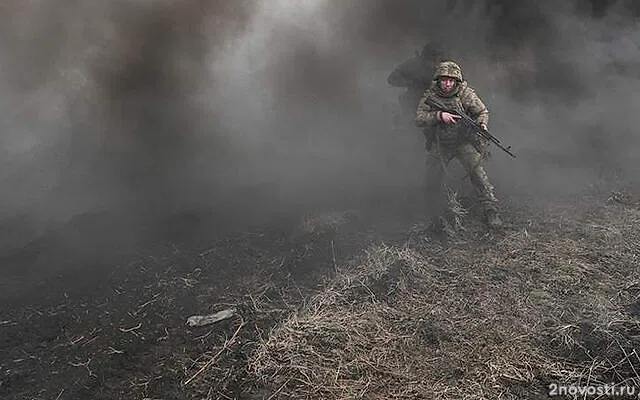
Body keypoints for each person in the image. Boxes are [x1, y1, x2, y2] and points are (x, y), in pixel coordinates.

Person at [415, 60, 502, 230]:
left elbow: (482, 112)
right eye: (444, 80)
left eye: (451, 80)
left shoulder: (465, 94)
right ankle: (433, 212)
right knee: (432, 178)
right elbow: (419, 118)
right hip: (441, 143)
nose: (447, 84)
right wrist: (440, 116)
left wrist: (482, 125)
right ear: (438, 80)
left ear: (457, 82)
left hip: (463, 142)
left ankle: (490, 209)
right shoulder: (430, 95)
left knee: (477, 174)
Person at [387, 43, 446, 119]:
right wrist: (413, 83)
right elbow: (392, 78)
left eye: (437, 60)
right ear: (425, 58)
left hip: (437, 103)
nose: (435, 64)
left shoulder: (444, 66)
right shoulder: (413, 65)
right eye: (432, 60)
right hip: (414, 103)